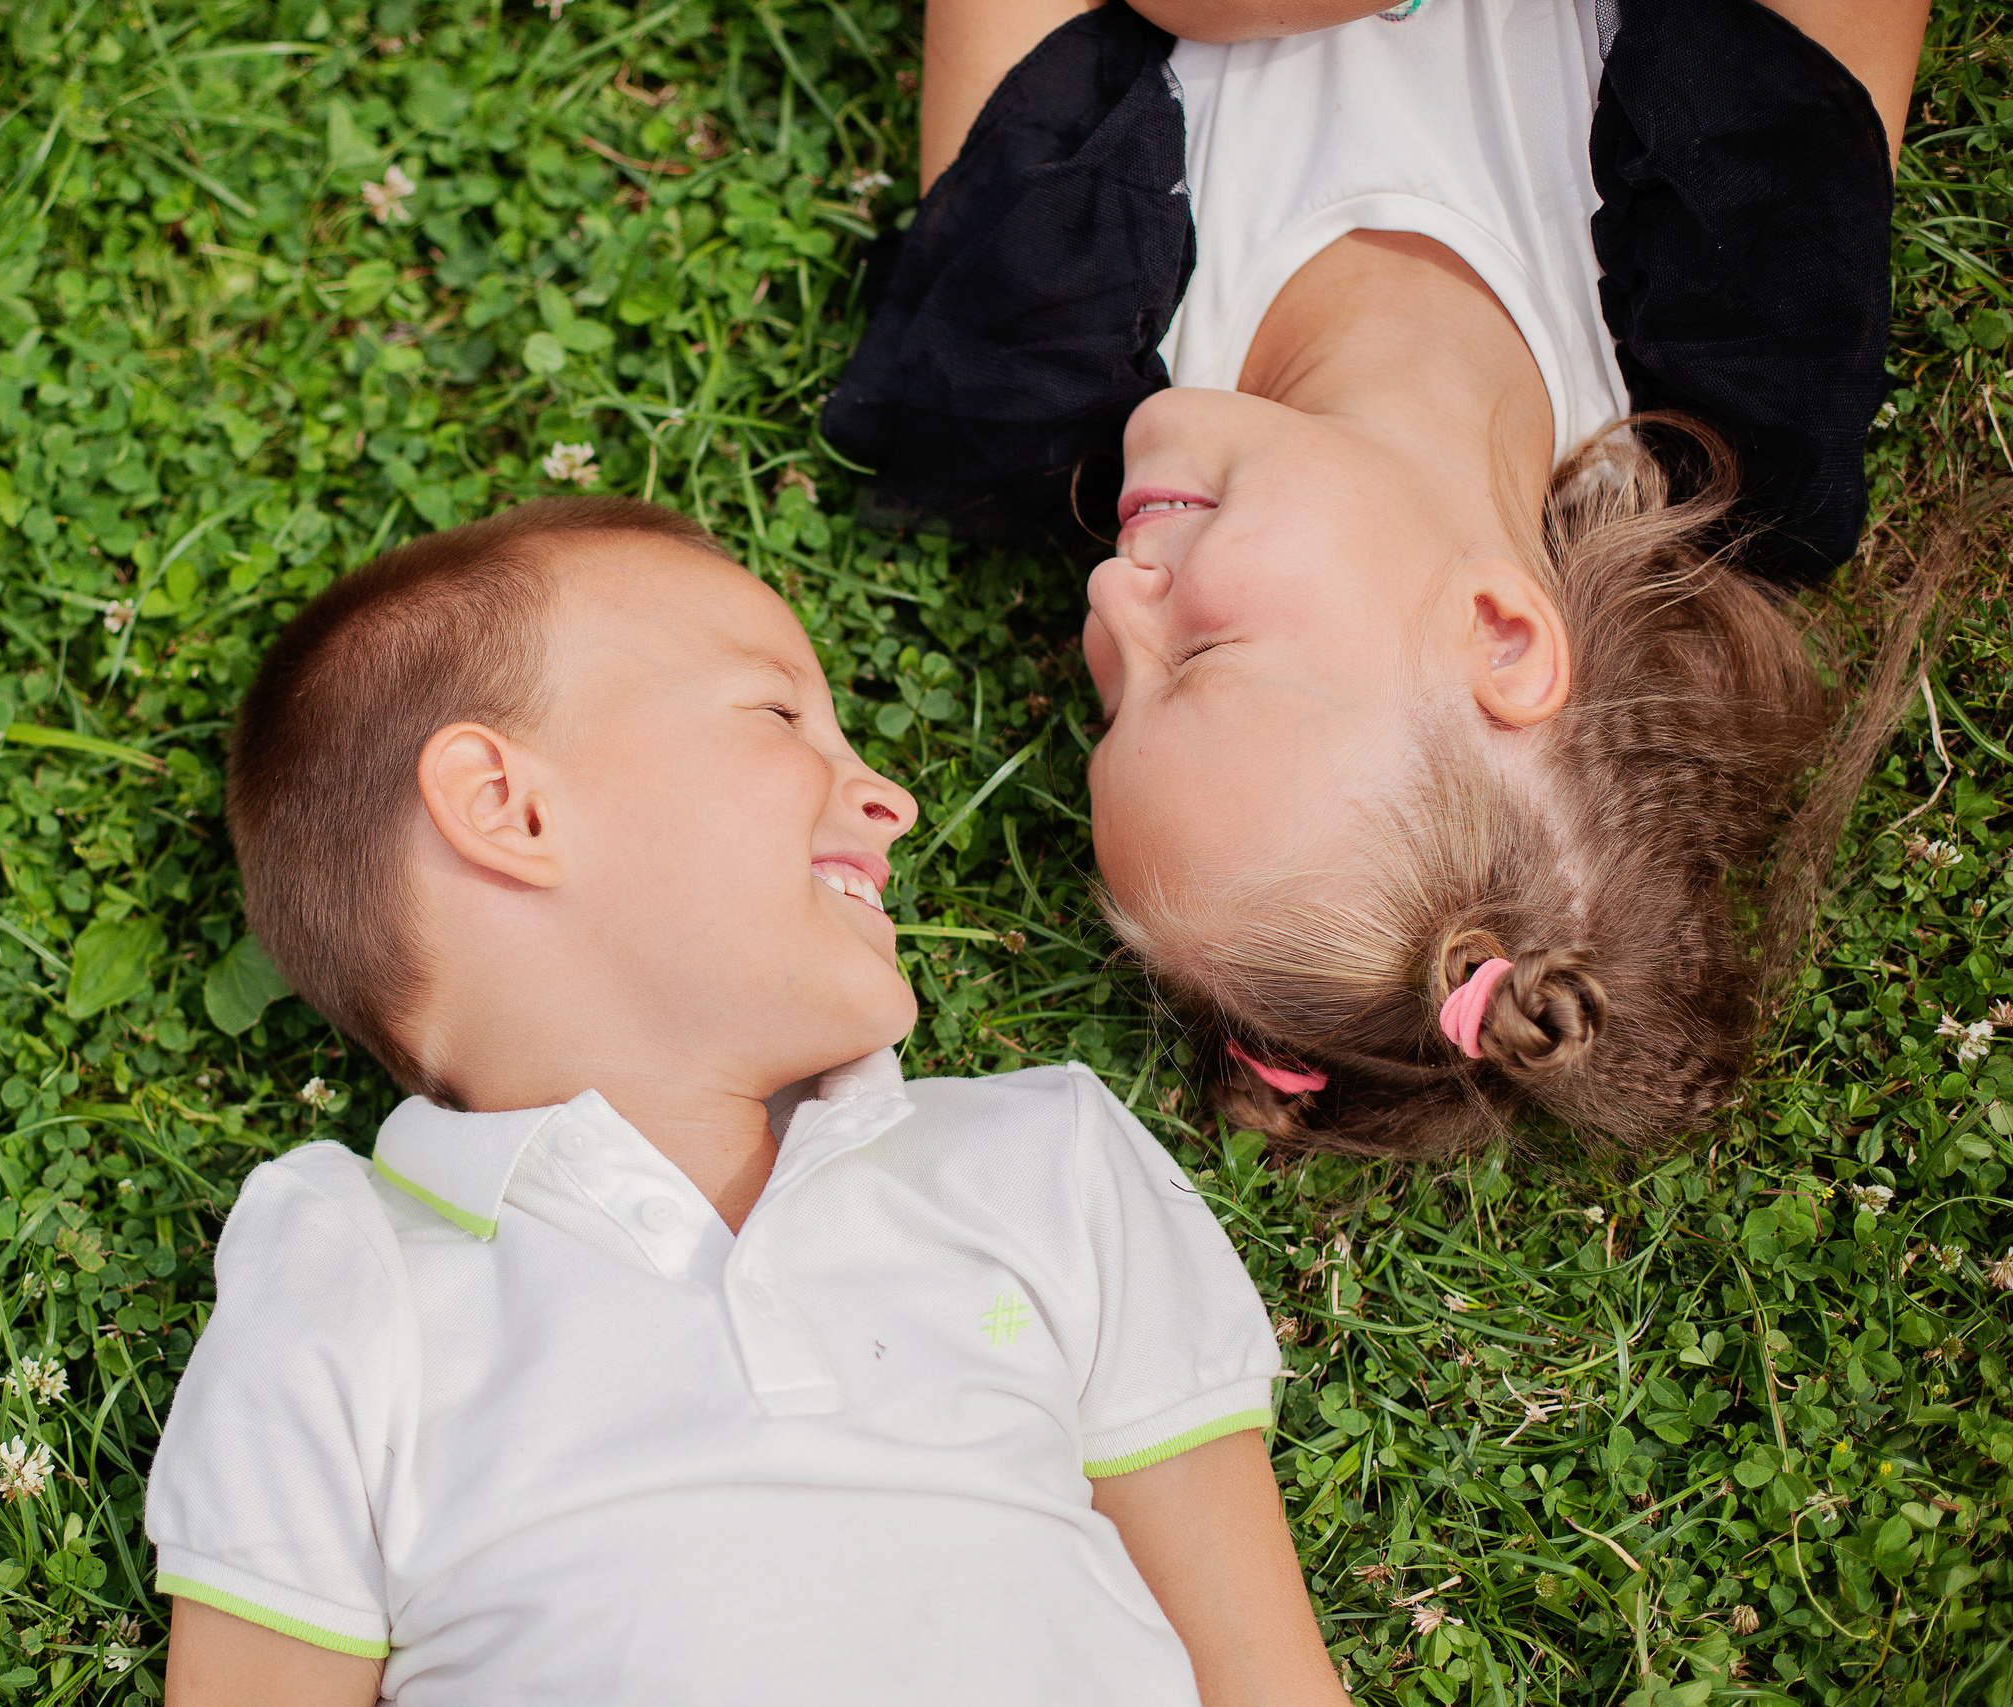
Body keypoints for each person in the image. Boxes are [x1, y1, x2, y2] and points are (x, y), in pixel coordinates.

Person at [147, 496, 1349, 1705]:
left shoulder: (1043, 1163)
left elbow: (1266, 1675)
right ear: (511, 810)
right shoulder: (348, 1279)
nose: (890, 799)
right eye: (782, 714)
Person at [826, 0, 1945, 1155]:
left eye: (1110, 704)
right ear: (1502, 635)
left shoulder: (1038, 328)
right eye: (1203, 655)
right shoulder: (1744, 328)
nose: (1109, 601)